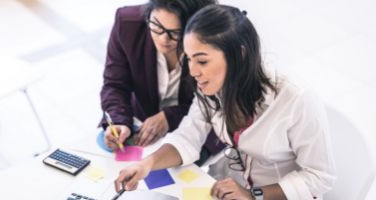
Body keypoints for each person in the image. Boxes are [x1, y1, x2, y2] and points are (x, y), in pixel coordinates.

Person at [114, 4, 336, 200]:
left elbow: (320, 176)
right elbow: (188, 138)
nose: (192, 71)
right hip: (227, 186)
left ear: (239, 54)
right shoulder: (210, 89)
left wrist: (253, 195)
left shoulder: (295, 99)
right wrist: (146, 165)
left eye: (202, 60)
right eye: (189, 59)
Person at [99, 0, 219, 154]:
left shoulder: (215, 41)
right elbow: (115, 83)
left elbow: (217, 103)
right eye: (157, 26)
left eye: (176, 33)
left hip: (199, 132)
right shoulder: (128, 23)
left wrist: (170, 117)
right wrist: (119, 120)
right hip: (142, 126)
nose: (163, 39)